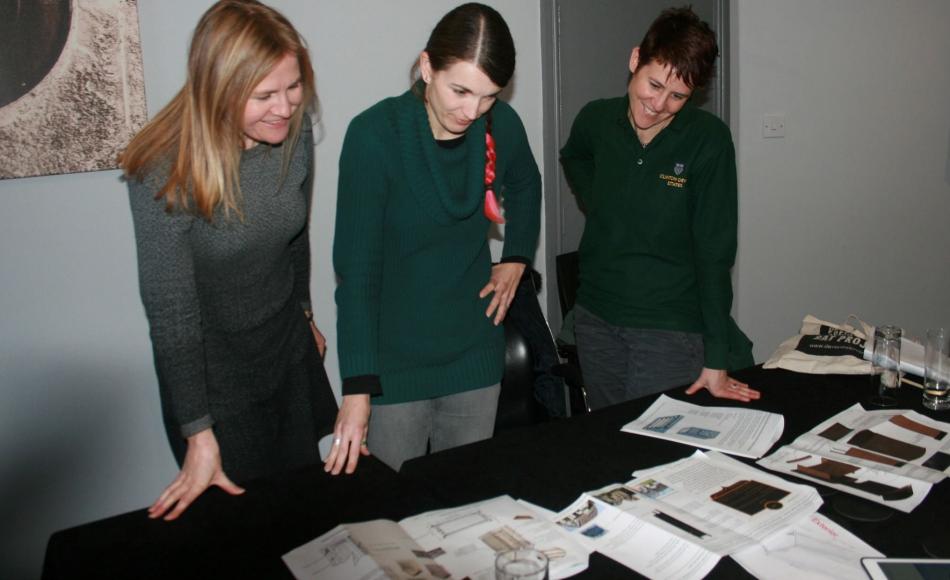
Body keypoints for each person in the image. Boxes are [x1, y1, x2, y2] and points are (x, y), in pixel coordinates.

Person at [120, 0, 337, 520]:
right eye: (263, 95)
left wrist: (305, 311)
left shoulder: (293, 132)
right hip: (216, 373)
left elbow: (294, 234)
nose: (284, 108)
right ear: (218, 89)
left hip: (282, 346)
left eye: (293, 86)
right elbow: (171, 311)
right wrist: (198, 430)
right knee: (246, 528)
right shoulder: (164, 167)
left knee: (306, 510)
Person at [326, 2, 541, 473]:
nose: (472, 110)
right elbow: (357, 274)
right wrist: (357, 390)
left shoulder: (500, 124)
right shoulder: (373, 137)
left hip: (474, 361)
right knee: (391, 522)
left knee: (463, 506)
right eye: (460, 90)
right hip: (393, 370)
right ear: (427, 67)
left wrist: (517, 256)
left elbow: (526, 183)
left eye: (488, 96)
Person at [559, 6, 759, 411]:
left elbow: (715, 254)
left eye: (678, 96)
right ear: (635, 60)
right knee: (606, 441)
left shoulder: (709, 141)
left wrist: (716, 357)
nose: (659, 104)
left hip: (669, 328)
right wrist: (599, 201)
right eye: (653, 85)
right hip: (596, 317)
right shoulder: (597, 118)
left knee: (656, 450)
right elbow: (574, 155)